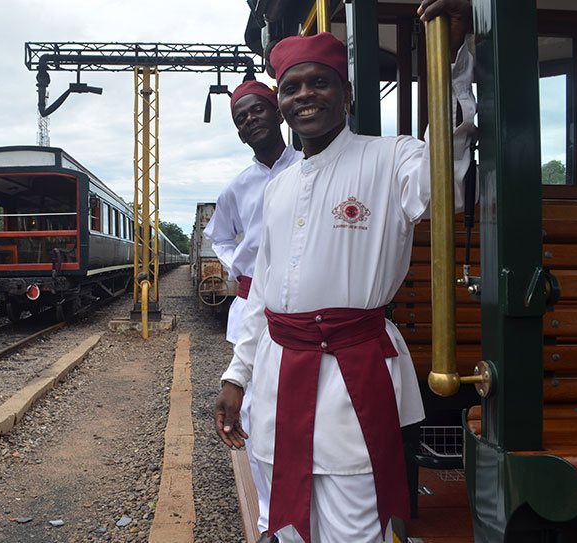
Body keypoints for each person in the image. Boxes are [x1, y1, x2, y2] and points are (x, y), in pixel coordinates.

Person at [214, 1, 476, 542]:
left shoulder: (393, 157)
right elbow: (263, 291)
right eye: (292, 88)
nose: (304, 95)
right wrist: (237, 376)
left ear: (348, 94)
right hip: (278, 379)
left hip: (352, 383)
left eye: (320, 83)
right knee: (285, 524)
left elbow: (441, 173)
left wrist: (453, 56)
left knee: (357, 527)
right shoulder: (280, 186)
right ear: (282, 103)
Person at [204, 79, 301, 543]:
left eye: (256, 111)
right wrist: (239, 262)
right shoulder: (236, 188)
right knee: (258, 412)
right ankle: (269, 523)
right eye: (240, 118)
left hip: (301, 304)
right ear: (239, 133)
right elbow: (218, 236)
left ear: (278, 113)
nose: (250, 120)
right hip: (250, 306)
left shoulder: (308, 167)